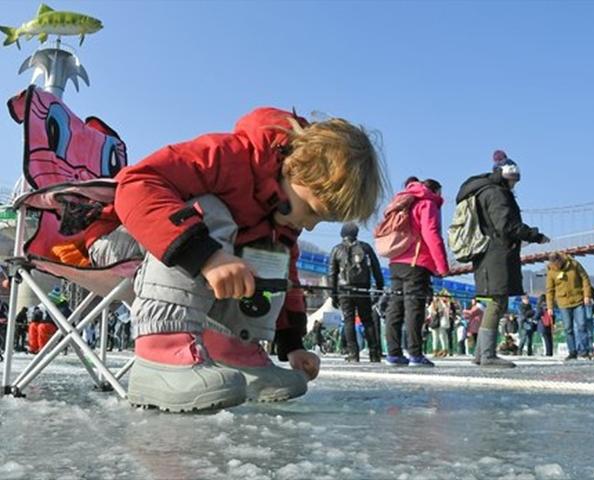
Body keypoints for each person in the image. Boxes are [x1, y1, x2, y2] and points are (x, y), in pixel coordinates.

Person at [112, 107, 386, 411]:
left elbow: (288, 279)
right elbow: (137, 183)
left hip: (181, 265)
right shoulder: (230, 157)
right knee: (210, 209)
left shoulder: (279, 219)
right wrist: (207, 257)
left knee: (273, 252)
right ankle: (161, 352)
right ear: (295, 169)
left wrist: (292, 344)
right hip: (123, 241)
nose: (309, 226)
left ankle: (235, 350)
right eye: (311, 210)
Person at [454, 153, 549, 367]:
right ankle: (487, 355)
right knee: (498, 302)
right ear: (503, 176)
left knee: (496, 302)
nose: (514, 184)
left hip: (490, 254)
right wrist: (534, 235)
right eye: (512, 179)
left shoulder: (484, 191)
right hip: (495, 255)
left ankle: (481, 354)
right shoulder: (496, 194)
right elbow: (505, 226)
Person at [383, 178, 449, 367]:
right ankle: (415, 354)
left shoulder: (403, 201)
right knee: (414, 309)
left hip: (396, 260)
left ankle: (394, 354)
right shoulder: (427, 203)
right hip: (416, 262)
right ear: (435, 190)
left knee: (395, 308)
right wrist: (441, 266)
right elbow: (431, 234)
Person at [329, 222, 384, 362]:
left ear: (342, 234)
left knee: (348, 321)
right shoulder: (365, 247)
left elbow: (332, 274)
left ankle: (353, 354)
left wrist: (333, 294)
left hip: (344, 290)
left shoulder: (336, 249)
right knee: (367, 321)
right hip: (363, 289)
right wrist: (379, 287)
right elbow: (376, 268)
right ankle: (374, 353)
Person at [546, 252, 593, 360]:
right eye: (553, 264)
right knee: (568, 328)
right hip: (563, 303)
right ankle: (572, 352)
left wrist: (587, 295)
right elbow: (550, 290)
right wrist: (550, 307)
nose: (556, 266)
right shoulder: (551, 272)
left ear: (560, 259)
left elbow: (585, 279)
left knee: (582, 325)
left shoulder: (574, 264)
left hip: (578, 300)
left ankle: (584, 351)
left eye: (557, 263)